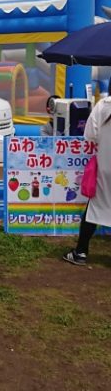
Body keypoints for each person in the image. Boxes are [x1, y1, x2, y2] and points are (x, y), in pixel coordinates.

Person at [64, 94, 111, 265]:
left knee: (96, 208)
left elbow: (90, 134)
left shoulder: (103, 106)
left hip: (106, 166)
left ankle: (81, 252)